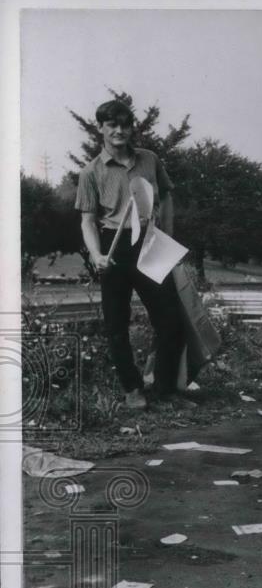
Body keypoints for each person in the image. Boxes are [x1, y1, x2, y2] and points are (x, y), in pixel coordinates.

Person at [76, 99, 186, 411]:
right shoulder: (90, 172)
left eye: (125, 124)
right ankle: (133, 388)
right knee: (116, 324)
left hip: (150, 241)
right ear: (101, 128)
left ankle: (164, 389)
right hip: (113, 246)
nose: (119, 130)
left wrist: (167, 238)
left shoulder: (149, 159)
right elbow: (86, 220)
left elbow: (165, 196)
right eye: (112, 125)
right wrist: (97, 254)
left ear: (131, 126)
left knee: (170, 320)